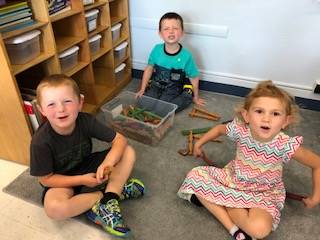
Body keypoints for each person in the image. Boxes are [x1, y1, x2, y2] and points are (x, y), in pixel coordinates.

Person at [177, 80, 320, 240]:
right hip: (233, 180)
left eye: (275, 113)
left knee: (260, 230)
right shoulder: (240, 130)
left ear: (285, 121)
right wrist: (200, 143)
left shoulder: (285, 145)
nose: (266, 119)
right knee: (194, 175)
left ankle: (223, 203)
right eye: (259, 111)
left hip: (265, 192)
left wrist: (316, 196)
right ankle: (234, 230)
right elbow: (219, 129)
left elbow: (317, 164)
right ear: (246, 115)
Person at [30, 74, 145, 238]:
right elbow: (45, 179)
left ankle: (109, 199)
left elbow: (119, 139)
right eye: (51, 104)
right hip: (61, 181)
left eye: (67, 101)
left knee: (128, 151)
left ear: (80, 102)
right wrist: (82, 180)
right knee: (54, 209)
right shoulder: (40, 142)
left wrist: (107, 164)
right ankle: (110, 195)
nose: (61, 109)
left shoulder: (86, 121)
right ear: (42, 110)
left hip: (87, 164)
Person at [136, 12, 205, 112]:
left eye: (175, 28)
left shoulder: (186, 56)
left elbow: (193, 76)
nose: (171, 32)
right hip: (157, 84)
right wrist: (142, 89)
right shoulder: (156, 50)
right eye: (166, 29)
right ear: (160, 33)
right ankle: (153, 95)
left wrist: (196, 97)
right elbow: (149, 68)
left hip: (174, 88)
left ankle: (187, 95)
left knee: (162, 109)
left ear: (182, 33)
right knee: (143, 104)